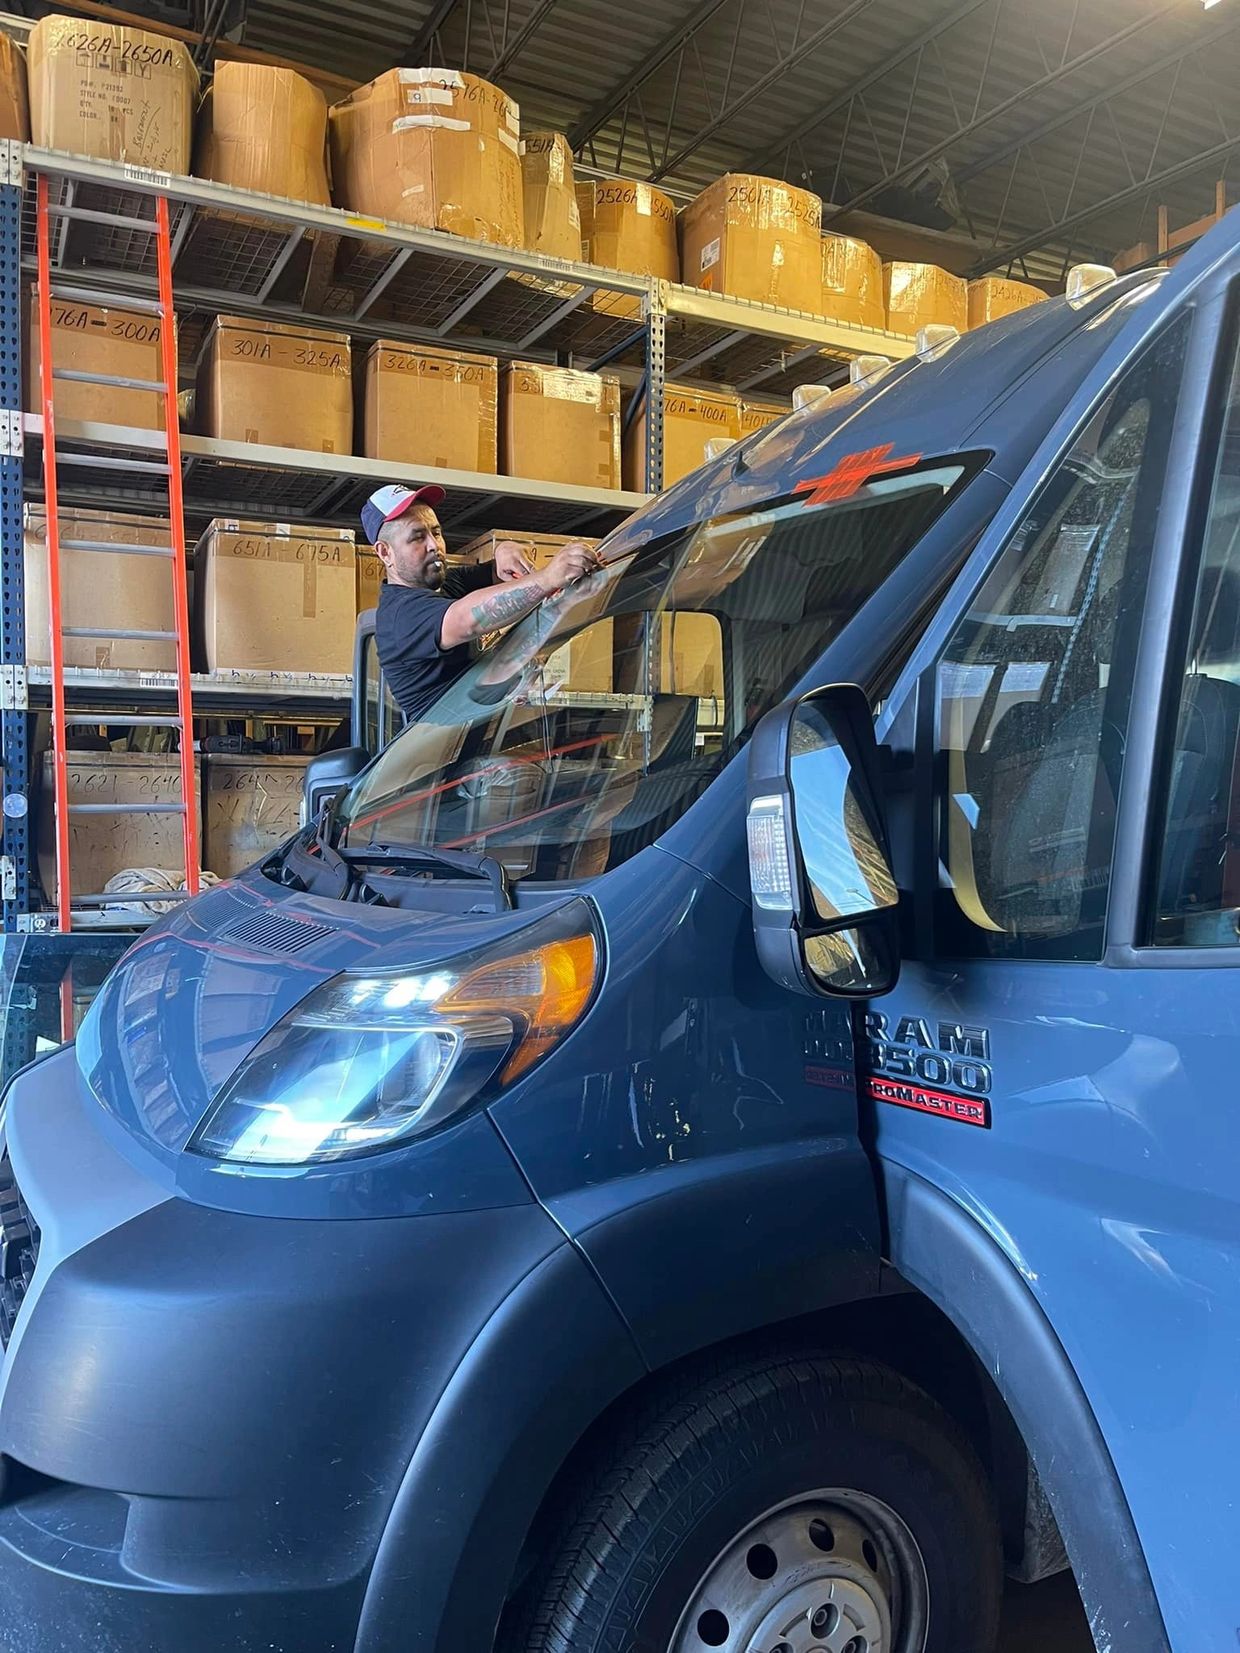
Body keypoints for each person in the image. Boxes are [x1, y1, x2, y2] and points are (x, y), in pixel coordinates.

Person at [361, 483, 599, 725]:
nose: (435, 545)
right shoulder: (400, 615)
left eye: (436, 532)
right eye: (418, 537)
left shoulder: (443, 586)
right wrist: (548, 578)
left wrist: (504, 550)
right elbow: (466, 620)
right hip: (441, 756)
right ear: (385, 552)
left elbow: (497, 572)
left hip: (479, 739)